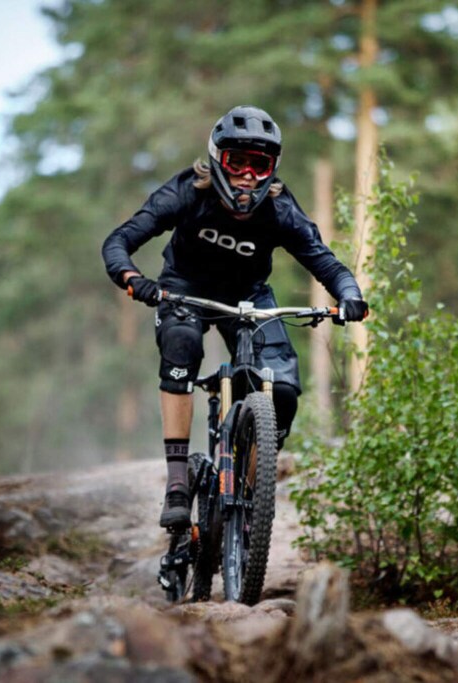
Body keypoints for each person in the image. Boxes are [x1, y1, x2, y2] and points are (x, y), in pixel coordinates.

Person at [102, 105, 368, 529]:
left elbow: (326, 263)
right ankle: (177, 484)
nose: (246, 174)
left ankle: (250, 495)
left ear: (271, 169)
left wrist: (349, 294)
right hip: (184, 289)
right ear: (217, 158)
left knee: (282, 390)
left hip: (249, 296)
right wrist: (134, 279)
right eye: (236, 161)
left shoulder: (280, 208)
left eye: (258, 165)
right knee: (182, 344)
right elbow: (119, 241)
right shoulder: (187, 192)